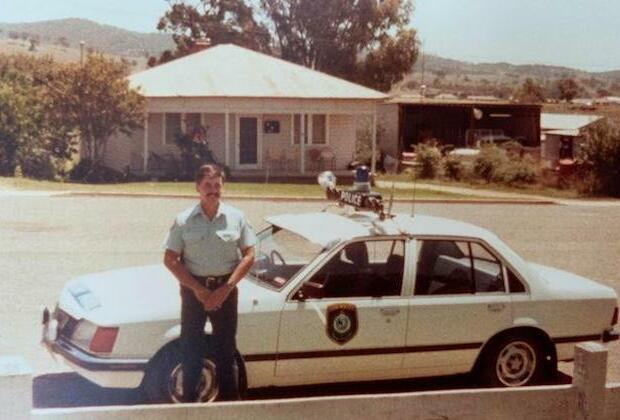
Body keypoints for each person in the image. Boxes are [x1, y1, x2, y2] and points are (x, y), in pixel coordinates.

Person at [163, 163, 256, 402]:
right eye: (207, 186)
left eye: (217, 185)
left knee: (226, 353)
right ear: (198, 188)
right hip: (194, 292)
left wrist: (225, 289)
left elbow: (249, 255)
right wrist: (199, 290)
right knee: (191, 352)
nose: (213, 190)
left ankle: (230, 409)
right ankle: (190, 409)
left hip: (226, 289)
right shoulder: (184, 220)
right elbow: (170, 259)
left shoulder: (236, 217)